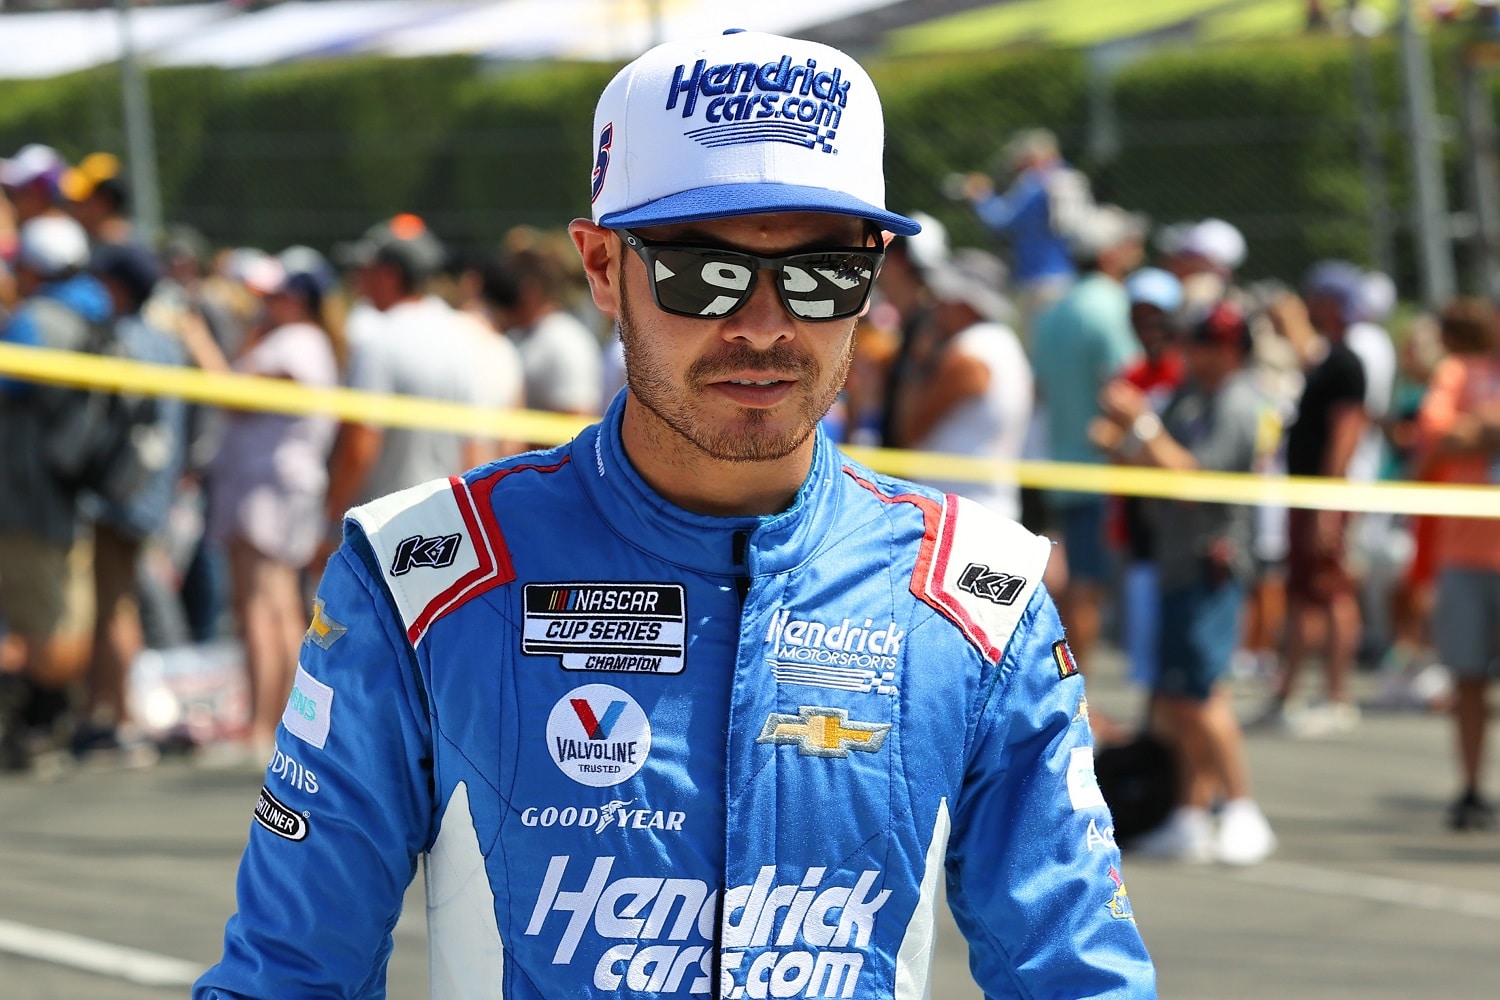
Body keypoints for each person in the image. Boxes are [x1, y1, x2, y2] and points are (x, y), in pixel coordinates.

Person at [195, 29, 1155, 999]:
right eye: (706, 272)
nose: (767, 326)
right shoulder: (422, 578)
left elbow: (1081, 978)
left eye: (824, 275)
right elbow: (284, 976)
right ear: (602, 266)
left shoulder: (974, 603)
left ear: (876, 279)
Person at [1095, 301, 1277, 865]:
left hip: (1210, 560)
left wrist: (1140, 425)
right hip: (1175, 558)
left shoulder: (1241, 403)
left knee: (1199, 691)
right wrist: (1125, 437)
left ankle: (1242, 806)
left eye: (1203, 342)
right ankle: (1191, 811)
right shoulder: (1191, 397)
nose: (1191, 353)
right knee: (1177, 693)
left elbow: (1192, 478)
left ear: (1229, 348)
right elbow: (1155, 461)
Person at [206, 257, 342, 758]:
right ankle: (281, 720)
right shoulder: (305, 341)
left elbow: (235, 397)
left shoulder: (297, 342)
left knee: (262, 607)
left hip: (270, 484)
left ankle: (261, 725)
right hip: (278, 482)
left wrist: (198, 339)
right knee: (281, 605)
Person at [0, 215, 111, 770]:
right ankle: (49, 722)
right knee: (63, 615)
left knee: (34, 625)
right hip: (70, 496)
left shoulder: (37, 322)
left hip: (25, 500)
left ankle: (32, 728)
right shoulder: (97, 314)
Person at [72, 242, 188, 764]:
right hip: (150, 491)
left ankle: (121, 719)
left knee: (115, 603)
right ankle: (105, 712)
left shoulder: (120, 339)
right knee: (117, 600)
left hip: (115, 492)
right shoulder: (167, 341)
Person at [1031, 204, 1146, 728]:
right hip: (1104, 471)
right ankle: (1080, 699)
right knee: (1088, 590)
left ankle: (1072, 694)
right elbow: (1126, 387)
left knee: (1079, 585)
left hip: (1064, 466)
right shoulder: (1110, 306)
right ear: (1108, 253)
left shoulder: (1053, 311)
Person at [1263, 262, 1369, 736]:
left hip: (1324, 497)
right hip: (1306, 494)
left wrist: (1328, 504)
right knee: (1304, 591)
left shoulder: (1348, 362)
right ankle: (1288, 690)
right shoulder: (1326, 358)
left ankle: (1337, 695)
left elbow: (1347, 432)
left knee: (1331, 590)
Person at [1415, 299, 1500, 829]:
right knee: (1467, 678)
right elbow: (1435, 438)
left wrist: (1478, 430)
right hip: (1466, 555)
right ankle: (1470, 787)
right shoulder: (1462, 372)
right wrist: (1483, 429)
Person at [890, 247, 1032, 520]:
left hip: (960, 514)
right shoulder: (1004, 345)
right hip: (986, 507)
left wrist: (916, 365)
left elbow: (910, 429)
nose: (938, 304)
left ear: (966, 303)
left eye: (946, 297)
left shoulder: (969, 354)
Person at [955, 127, 1092, 342]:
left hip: (1036, 280)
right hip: (1065, 274)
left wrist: (981, 197)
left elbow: (999, 221)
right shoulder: (1065, 178)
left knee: (1036, 344)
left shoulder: (1034, 184)